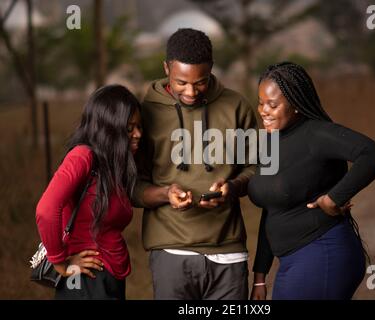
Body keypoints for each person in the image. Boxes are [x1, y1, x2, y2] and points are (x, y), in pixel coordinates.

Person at [132, 28, 257, 300]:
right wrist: (166, 194)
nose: (190, 91)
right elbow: (132, 185)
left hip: (228, 250)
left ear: (211, 69)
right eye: (181, 83)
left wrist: (233, 187)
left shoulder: (237, 106)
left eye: (199, 82)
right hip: (171, 250)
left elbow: (259, 167)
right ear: (166, 68)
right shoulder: (145, 112)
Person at [248, 62, 375, 300]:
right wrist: (260, 276)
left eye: (272, 104)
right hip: (293, 261)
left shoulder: (317, 134)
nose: (263, 110)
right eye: (261, 102)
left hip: (321, 253)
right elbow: (272, 209)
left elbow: (374, 154)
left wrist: (334, 198)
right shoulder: (271, 143)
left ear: (295, 105)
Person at [36, 85, 142, 299]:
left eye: (139, 127)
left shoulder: (111, 165)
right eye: (129, 128)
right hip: (84, 278)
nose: (138, 134)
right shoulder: (83, 157)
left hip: (108, 276)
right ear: (109, 127)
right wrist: (59, 261)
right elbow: (46, 209)